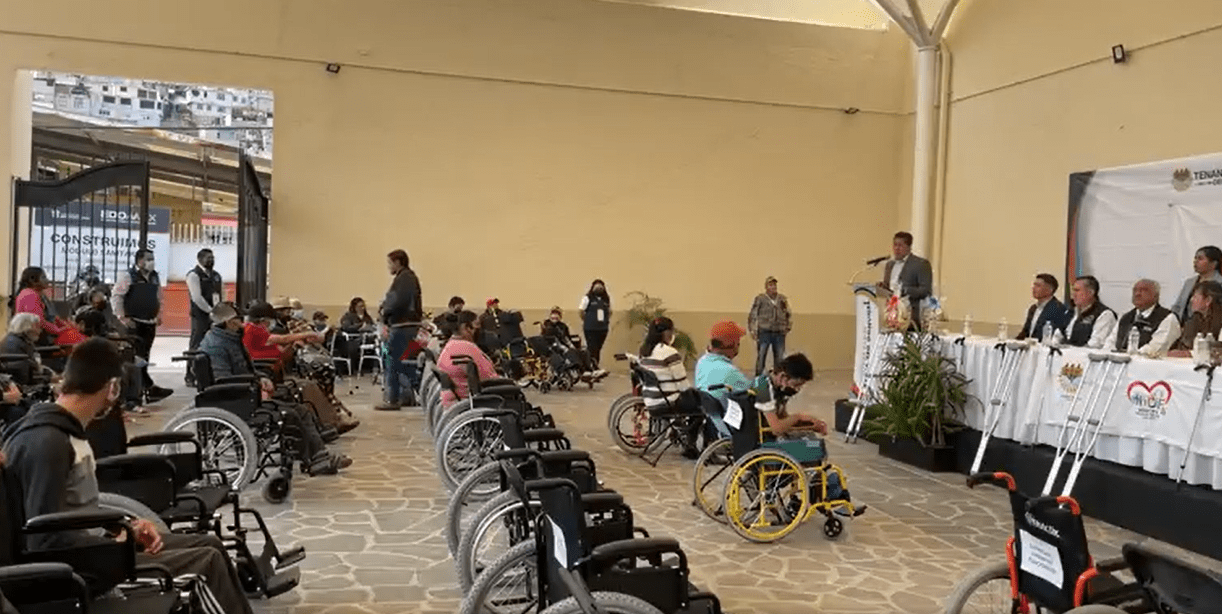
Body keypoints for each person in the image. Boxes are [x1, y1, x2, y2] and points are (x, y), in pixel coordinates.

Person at [1, 338, 255, 614]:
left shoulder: (63, 432)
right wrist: (112, 543)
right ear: (112, 387)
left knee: (210, 544)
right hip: (79, 572)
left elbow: (71, 512)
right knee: (206, 563)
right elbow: (41, 539)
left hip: (92, 551)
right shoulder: (48, 443)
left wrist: (122, 526)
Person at [201, 303, 350, 474]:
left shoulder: (230, 339)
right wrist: (256, 385)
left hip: (247, 390)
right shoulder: (218, 346)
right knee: (290, 413)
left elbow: (247, 369)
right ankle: (317, 458)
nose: (242, 323)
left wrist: (260, 378)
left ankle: (318, 457)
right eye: (238, 320)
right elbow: (222, 381)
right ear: (228, 322)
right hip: (237, 399)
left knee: (299, 409)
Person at [111, 250, 173, 403]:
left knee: (144, 357)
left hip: (149, 323)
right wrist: (122, 317)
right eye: (148, 259)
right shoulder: (128, 276)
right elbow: (117, 296)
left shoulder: (154, 276)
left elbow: (159, 297)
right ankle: (138, 392)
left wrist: (159, 314)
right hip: (134, 323)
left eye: (152, 259)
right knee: (134, 358)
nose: (152, 262)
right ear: (139, 261)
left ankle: (147, 389)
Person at [638, 317, 702, 458]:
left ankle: (678, 430)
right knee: (700, 408)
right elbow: (682, 384)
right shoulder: (669, 352)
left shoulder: (644, 351)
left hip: (650, 400)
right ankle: (690, 445)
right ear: (666, 333)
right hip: (667, 402)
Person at [377, 249, 424, 410]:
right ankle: (407, 396)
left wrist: (385, 311)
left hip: (402, 326)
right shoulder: (408, 278)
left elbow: (396, 302)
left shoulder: (404, 279)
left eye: (390, 263)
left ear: (398, 262)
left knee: (392, 361)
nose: (389, 267)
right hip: (408, 325)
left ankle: (393, 399)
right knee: (404, 363)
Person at [751, 352, 827, 438]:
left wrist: (810, 424)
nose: (797, 389)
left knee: (810, 437)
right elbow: (777, 429)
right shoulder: (764, 387)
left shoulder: (778, 388)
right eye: (796, 385)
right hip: (756, 437)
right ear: (783, 377)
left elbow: (783, 420)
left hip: (764, 432)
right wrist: (798, 417)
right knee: (810, 442)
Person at [13, 266, 85, 349]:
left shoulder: (37, 294)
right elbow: (38, 320)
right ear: (33, 281)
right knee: (81, 343)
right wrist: (57, 330)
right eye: (43, 277)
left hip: (44, 335)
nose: (47, 280)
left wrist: (67, 326)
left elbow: (54, 317)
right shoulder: (30, 295)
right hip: (37, 338)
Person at [436, 310, 498, 406]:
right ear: (467, 327)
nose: (480, 329)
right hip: (475, 400)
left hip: (454, 399)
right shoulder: (468, 348)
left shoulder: (450, 346)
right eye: (477, 325)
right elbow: (488, 378)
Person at [1106, 279, 1181, 357]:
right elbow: (1110, 343)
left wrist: (1129, 356)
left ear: (1156, 296)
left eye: (1144, 290)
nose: (1137, 294)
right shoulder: (1125, 317)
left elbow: (1154, 349)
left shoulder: (1168, 318)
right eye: (1135, 290)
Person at [880, 231, 933, 330]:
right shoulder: (890, 265)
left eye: (900, 245)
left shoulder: (920, 264)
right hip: (891, 314)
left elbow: (925, 290)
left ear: (909, 247)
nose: (896, 248)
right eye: (895, 245)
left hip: (910, 315)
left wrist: (905, 290)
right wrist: (881, 288)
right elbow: (887, 287)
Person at [185, 248, 223, 386]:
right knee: (196, 344)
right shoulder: (194, 275)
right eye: (208, 258)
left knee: (212, 344)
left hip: (215, 314)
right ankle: (190, 375)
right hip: (200, 315)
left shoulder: (216, 276)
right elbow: (197, 298)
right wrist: (209, 311)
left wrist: (219, 311)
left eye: (212, 258)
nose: (211, 261)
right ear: (200, 259)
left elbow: (220, 294)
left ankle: (207, 374)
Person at [694, 320, 752, 403]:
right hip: (727, 410)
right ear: (733, 345)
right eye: (738, 342)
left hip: (706, 408)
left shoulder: (702, 362)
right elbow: (753, 392)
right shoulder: (731, 372)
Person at [748, 276, 792, 376]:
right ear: (766, 287)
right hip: (764, 331)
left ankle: (778, 377)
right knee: (761, 356)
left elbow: (788, 313)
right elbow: (753, 314)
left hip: (779, 332)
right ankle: (758, 377)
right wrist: (753, 330)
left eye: (774, 285)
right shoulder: (760, 299)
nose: (773, 287)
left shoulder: (782, 299)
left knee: (779, 357)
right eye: (770, 285)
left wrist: (788, 326)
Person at [1170, 246, 1222, 325]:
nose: (1195, 262)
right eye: (1195, 258)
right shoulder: (1189, 283)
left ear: (1213, 264)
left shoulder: (1220, 283)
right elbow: (1178, 306)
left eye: (1200, 259)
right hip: (1184, 326)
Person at [1170, 281, 1222, 356]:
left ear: (1208, 300)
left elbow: (1218, 349)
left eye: (1195, 297)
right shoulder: (1195, 318)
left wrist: (1190, 353)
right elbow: (1184, 344)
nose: (1191, 300)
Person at [1065, 276, 1116, 349]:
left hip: (1087, 354)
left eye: (1077, 290)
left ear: (1091, 293)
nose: (1074, 294)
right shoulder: (1072, 312)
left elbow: (1096, 344)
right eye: (1073, 290)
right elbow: (1064, 336)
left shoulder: (1105, 314)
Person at [1017, 273, 1070, 341]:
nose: (1034, 288)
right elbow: (1025, 332)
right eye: (1034, 285)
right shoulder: (1033, 308)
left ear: (1050, 290)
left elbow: (1056, 335)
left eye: (1038, 286)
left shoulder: (1058, 309)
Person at [579, 280, 611, 368]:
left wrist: (606, 321)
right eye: (597, 287)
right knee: (592, 348)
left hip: (602, 329)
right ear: (593, 288)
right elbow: (581, 311)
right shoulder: (587, 298)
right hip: (590, 329)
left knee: (598, 349)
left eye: (601, 287)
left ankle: (596, 365)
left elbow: (609, 312)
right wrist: (587, 320)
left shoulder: (606, 299)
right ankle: (591, 366)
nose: (599, 288)